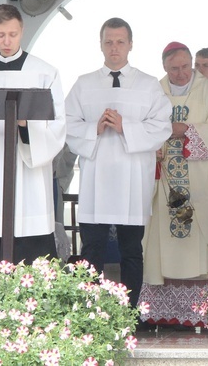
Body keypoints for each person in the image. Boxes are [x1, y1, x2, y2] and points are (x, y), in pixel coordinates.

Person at [64, 17, 171, 308]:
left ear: (131, 44)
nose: (114, 47)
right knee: (91, 251)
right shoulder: (84, 84)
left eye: (120, 41)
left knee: (131, 252)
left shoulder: (148, 85)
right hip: (96, 179)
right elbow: (66, 124)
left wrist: (126, 126)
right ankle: (87, 313)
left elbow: (162, 127)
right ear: (100, 44)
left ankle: (129, 316)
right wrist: (93, 129)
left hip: (132, 178)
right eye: (109, 41)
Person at [0, 4, 66, 293]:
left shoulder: (45, 73)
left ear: (22, 30)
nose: (6, 42)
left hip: (27, 180)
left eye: (12, 34)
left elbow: (58, 126)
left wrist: (25, 124)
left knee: (29, 247)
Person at [143, 42, 208, 286]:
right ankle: (160, 310)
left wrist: (186, 130)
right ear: (164, 67)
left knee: (199, 234)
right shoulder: (152, 91)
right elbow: (140, 128)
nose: (181, 73)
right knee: (161, 234)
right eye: (173, 68)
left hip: (200, 181)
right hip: (162, 178)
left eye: (185, 66)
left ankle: (202, 306)